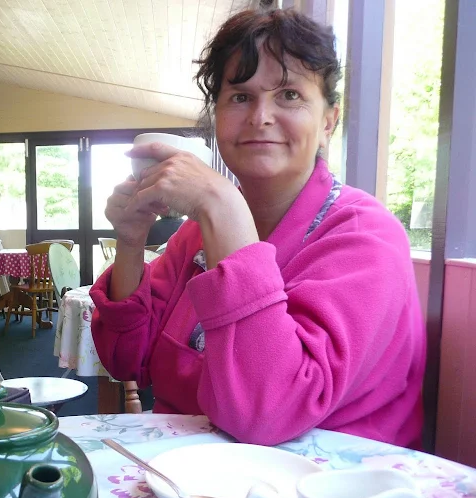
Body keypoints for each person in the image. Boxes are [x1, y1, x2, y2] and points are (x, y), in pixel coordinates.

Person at [90, 8, 425, 448]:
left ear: (328, 122)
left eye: (288, 94)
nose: (260, 116)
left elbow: (267, 412)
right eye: (240, 97)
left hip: (320, 496)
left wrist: (221, 205)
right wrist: (130, 241)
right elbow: (127, 359)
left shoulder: (366, 237)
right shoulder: (194, 234)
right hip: (188, 481)